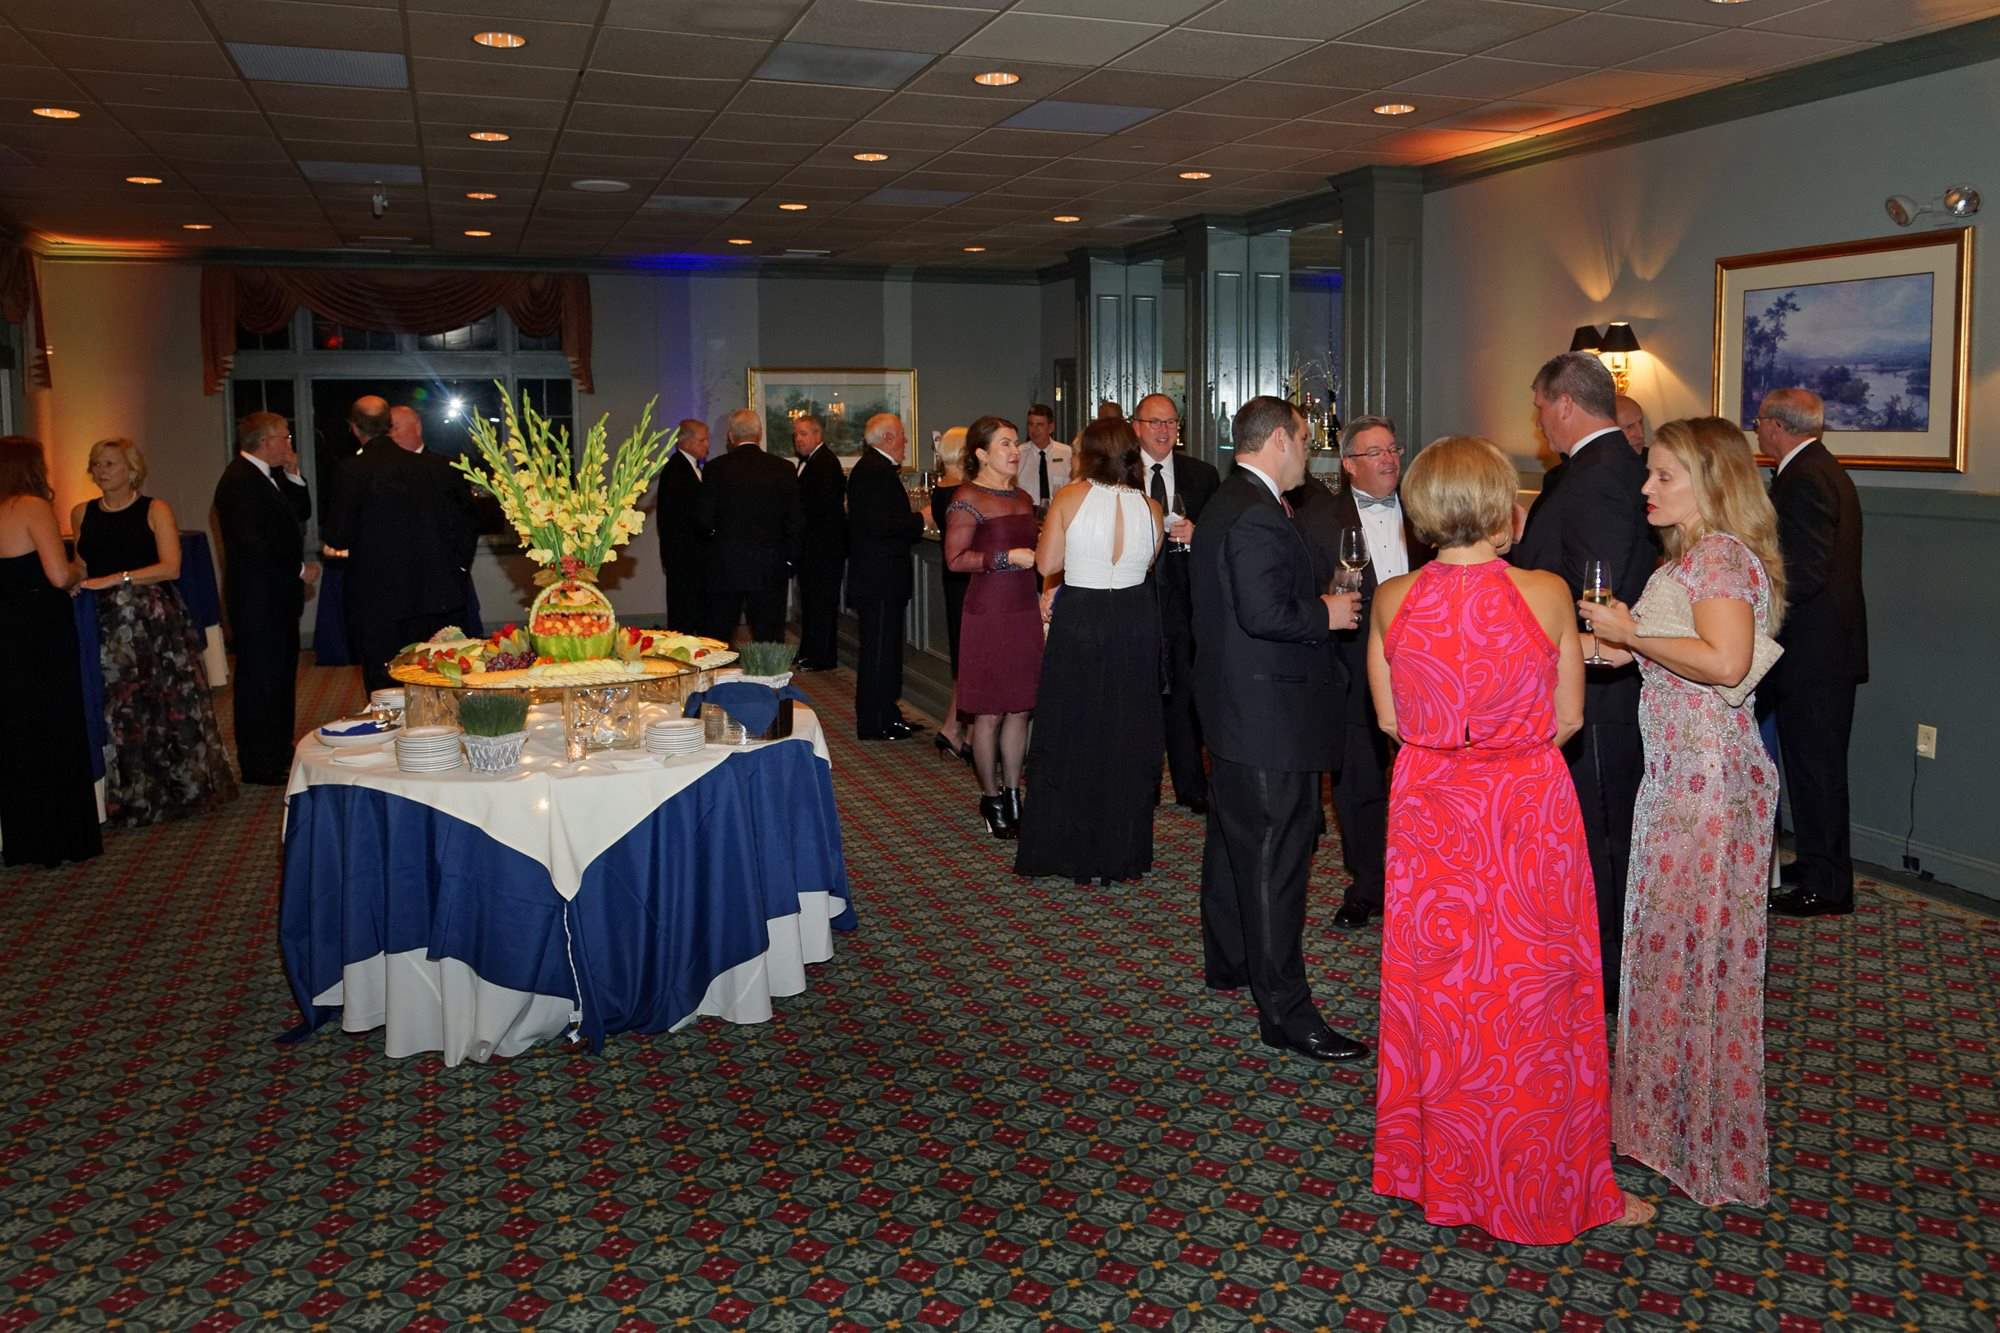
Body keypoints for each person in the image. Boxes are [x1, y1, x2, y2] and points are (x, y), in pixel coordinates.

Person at [1370, 434, 1651, 1242]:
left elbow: (1390, 721)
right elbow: (1569, 718)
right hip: (1525, 806)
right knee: (1535, 994)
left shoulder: (1391, 598)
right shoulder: (1546, 592)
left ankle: (1442, 1170)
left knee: (1442, 989)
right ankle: (1546, 1178)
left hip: (1430, 808)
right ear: (1502, 506)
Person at [1577, 416, 1786, 1208]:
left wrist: (1631, 631)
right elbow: (1657, 654)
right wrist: (1596, 642)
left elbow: (1727, 663)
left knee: (1700, 956)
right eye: (1650, 472)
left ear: (1710, 481)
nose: (1647, 486)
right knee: (1671, 953)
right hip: (1678, 779)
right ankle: (1666, 1125)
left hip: (1710, 785)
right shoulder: (1693, 558)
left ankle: (1704, 1139)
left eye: (1664, 474)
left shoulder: (1723, 557)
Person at [1190, 396, 1366, 1063]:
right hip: (1266, 716)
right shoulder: (1256, 512)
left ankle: (1232, 961)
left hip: (1238, 707)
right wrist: (1326, 612)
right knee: (1276, 862)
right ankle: (1286, 1013)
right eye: (1304, 440)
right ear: (1280, 442)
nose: (1310, 455)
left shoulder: (1230, 500)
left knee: (1235, 845)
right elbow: (1264, 613)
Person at [1510, 351, 1655, 1012]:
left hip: (1597, 688)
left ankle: (1608, 975)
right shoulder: (1601, 467)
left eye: (1540, 405)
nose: (1539, 418)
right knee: (1596, 832)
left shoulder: (1597, 475)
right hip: (1594, 683)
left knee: (1602, 836)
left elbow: (1597, 593)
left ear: (1565, 403)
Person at [1014, 418, 1163, 881]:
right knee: (1125, 732)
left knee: (1072, 727)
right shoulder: (1151, 507)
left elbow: (1047, 563)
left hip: (1082, 617)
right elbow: (1148, 561)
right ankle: (1121, 847)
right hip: (1135, 619)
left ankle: (1068, 845)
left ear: (1090, 454)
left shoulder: (1069, 497)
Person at [1302, 415, 1432, 930]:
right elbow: (1305, 597)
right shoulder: (1317, 520)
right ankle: (1368, 884)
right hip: (1353, 665)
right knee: (1359, 783)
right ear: (1349, 465)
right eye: (1375, 452)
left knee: (1428, 779)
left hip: (1426, 664)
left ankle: (1426, 879)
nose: (1389, 460)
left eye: (1393, 449)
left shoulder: (1426, 511)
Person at [71, 438, 237, 826]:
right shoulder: (82, 513)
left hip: (151, 621)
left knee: (162, 704)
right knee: (120, 708)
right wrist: (74, 579)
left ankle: (179, 789)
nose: (101, 471)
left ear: (132, 470)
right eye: (96, 464)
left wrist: (118, 578)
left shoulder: (154, 509)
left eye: (110, 463)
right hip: (106, 623)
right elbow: (82, 563)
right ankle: (132, 796)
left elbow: (171, 567)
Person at [1758, 388, 1867, 918]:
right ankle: (1819, 865)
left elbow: (1803, 573)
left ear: (1777, 426)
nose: (1758, 430)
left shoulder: (1804, 479)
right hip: (1823, 653)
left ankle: (1828, 885)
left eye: (1760, 421)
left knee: (1816, 771)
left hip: (1813, 656)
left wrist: (1756, 610)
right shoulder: (1821, 469)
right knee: (1811, 769)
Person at [0, 436, 101, 867]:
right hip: (39, 630)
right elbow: (58, 575)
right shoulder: (32, 506)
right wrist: (79, 570)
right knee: (55, 724)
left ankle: (25, 839)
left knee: (15, 730)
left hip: (5, 631)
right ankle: (63, 838)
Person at [333, 403, 479, 692]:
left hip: (382, 599)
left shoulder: (353, 469)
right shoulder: (434, 468)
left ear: (355, 429)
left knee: (389, 682)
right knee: (437, 679)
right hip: (432, 596)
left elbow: (338, 536)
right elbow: (465, 526)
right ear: (387, 426)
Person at [942, 417, 1042, 838]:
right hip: (988, 613)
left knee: (1020, 708)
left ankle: (1014, 793)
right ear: (981, 453)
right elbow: (955, 559)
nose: (1015, 451)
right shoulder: (967, 498)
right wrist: (1005, 559)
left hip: (1024, 609)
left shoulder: (1023, 497)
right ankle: (991, 796)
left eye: (1016, 443)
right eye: (1005, 444)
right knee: (989, 713)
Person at [214, 411, 316, 785]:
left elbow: (300, 512)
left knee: (280, 677)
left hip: (275, 598)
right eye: (285, 438)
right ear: (265, 441)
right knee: (259, 681)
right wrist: (299, 570)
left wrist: (293, 471)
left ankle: (278, 749)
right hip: (257, 601)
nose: (289, 443)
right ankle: (259, 763)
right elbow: (253, 545)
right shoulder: (239, 481)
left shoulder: (266, 476)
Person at [1132, 392, 1219, 815]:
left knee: (1185, 695)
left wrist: (1198, 534)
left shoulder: (1202, 475)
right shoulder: (1122, 475)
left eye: (1171, 423)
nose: (1164, 430)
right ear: (1137, 428)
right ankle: (1141, 785)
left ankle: (1191, 785)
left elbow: (1223, 537)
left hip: (1186, 602)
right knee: (1140, 696)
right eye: (1155, 422)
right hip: (1135, 598)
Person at [846, 413, 925, 741]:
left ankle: (886, 714)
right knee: (879, 653)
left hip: (878, 577)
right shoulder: (875, 472)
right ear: (888, 438)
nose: (906, 441)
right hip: (879, 578)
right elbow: (881, 526)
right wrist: (921, 519)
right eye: (902, 435)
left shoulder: (871, 469)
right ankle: (875, 721)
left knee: (884, 651)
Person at [698, 408, 802, 645]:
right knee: (770, 638)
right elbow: (796, 520)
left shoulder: (715, 468)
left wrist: (716, 543)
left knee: (719, 637)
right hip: (770, 566)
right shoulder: (783, 468)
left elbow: (703, 519)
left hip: (726, 565)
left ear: (730, 436)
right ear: (760, 434)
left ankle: (721, 670)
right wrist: (789, 560)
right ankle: (769, 671)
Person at [928, 426, 972, 763]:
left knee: (965, 655)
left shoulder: (941, 488)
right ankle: (960, 730)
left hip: (953, 576)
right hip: (967, 576)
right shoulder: (962, 491)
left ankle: (956, 728)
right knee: (971, 656)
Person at [793, 412, 847, 672]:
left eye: (803, 434)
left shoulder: (825, 462)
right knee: (812, 602)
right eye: (796, 435)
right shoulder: (812, 461)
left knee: (821, 604)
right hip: (814, 548)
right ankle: (809, 651)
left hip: (824, 549)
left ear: (817, 435)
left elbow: (821, 510)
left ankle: (821, 656)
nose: (798, 439)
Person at [655, 418, 709, 632]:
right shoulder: (677, 470)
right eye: (702, 440)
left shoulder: (690, 467)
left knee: (693, 610)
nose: (707, 445)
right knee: (684, 612)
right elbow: (680, 518)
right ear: (684, 442)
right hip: (684, 556)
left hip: (690, 556)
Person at [1017, 403, 1068, 507]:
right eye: (1031, 424)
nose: (1034, 430)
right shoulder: (1018, 454)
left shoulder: (1067, 453)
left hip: (1058, 511)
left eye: (1039, 425)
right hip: (1028, 512)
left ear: (1051, 427)